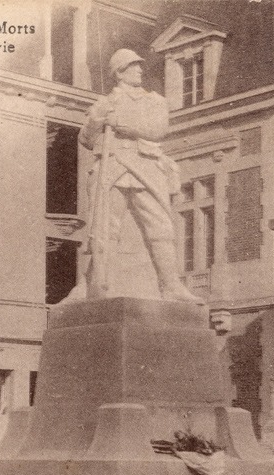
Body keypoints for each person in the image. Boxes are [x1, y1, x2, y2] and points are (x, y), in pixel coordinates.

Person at [78, 48, 202, 303]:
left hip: (145, 166)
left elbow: (159, 130)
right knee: (105, 228)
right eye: (133, 67)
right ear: (119, 73)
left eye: (139, 66)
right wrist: (98, 120)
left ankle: (171, 285)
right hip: (113, 167)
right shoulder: (105, 103)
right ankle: (99, 284)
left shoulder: (154, 100)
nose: (140, 70)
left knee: (161, 226)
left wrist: (128, 126)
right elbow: (86, 139)